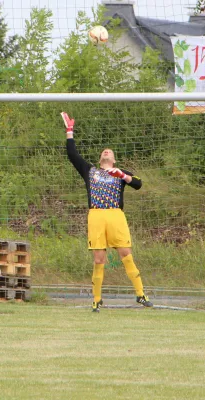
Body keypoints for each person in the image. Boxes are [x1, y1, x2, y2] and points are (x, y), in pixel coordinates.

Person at [62, 112, 154, 312]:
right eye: (104, 151)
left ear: (114, 159)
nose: (106, 152)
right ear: (100, 158)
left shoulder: (120, 174)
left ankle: (140, 294)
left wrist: (122, 175)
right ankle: (96, 299)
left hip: (115, 215)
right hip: (96, 215)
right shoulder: (91, 171)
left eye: (110, 152)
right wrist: (70, 132)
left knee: (125, 253)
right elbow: (72, 155)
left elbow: (138, 184)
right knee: (99, 258)